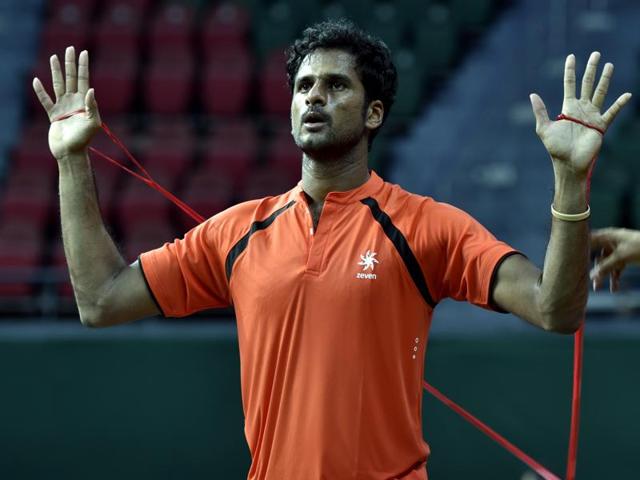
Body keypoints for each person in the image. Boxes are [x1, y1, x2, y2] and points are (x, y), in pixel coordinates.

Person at [32, 19, 631, 480]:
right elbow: (101, 300)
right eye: (303, 86)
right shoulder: (236, 231)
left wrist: (569, 180)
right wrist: (70, 160)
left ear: (373, 113)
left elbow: (556, 309)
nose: (313, 97)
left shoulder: (426, 226)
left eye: (335, 85)